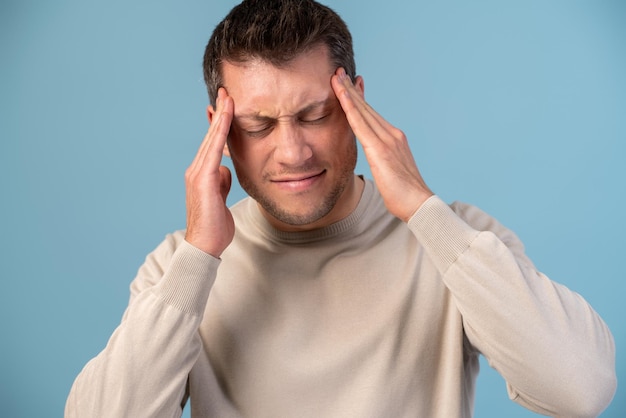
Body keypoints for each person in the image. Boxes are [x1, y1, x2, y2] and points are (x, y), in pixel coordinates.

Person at [65, 0, 617, 417]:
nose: (292, 152)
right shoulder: (177, 269)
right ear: (219, 129)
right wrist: (199, 256)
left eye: (315, 115)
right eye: (258, 126)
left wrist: (424, 213)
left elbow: (581, 388)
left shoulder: (459, 238)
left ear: (356, 101)